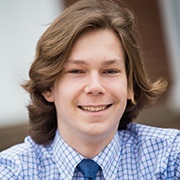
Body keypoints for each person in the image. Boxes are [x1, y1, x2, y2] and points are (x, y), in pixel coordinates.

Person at [0, 0, 179, 179]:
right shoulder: (12, 172)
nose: (95, 87)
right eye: (76, 71)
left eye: (110, 71)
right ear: (48, 88)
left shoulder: (170, 158)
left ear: (130, 86)